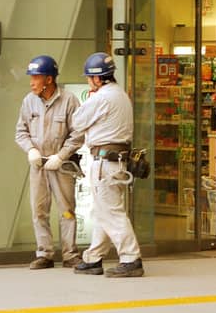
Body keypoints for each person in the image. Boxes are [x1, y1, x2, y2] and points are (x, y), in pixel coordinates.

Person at [70, 52, 144, 278]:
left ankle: (131, 258)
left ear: (97, 79)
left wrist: (90, 97)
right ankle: (94, 258)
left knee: (110, 211)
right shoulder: (120, 94)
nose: (87, 82)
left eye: (88, 78)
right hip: (115, 161)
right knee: (102, 210)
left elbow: (77, 121)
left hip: (104, 161)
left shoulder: (101, 98)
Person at [14, 55, 85, 269]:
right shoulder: (29, 101)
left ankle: (70, 254)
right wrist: (31, 150)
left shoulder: (69, 100)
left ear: (49, 79)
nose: (31, 82)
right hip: (38, 165)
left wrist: (61, 155)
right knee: (39, 210)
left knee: (66, 209)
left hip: (60, 165)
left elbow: (78, 133)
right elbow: (20, 132)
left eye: (36, 77)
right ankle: (44, 253)